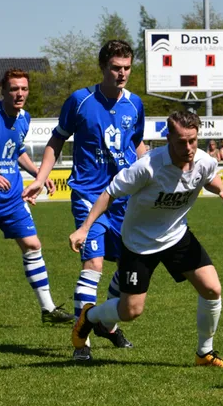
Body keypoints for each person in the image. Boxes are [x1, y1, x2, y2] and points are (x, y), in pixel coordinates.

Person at [68, 110, 223, 365]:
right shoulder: (147, 166)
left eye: (193, 141)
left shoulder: (204, 161)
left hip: (176, 235)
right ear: (168, 138)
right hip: (139, 243)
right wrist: (84, 229)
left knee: (212, 289)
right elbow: (108, 194)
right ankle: (89, 316)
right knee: (131, 311)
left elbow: (210, 177)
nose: (188, 148)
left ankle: (204, 353)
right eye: (181, 142)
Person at [24, 40, 145, 353]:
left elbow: (137, 145)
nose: (122, 74)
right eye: (116, 68)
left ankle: (106, 323)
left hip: (123, 199)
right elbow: (56, 141)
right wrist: (41, 178)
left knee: (128, 266)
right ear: (103, 67)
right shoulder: (80, 100)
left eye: (127, 68)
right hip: (88, 195)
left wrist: (152, 177)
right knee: (93, 264)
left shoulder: (135, 104)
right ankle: (82, 341)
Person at [0, 69, 72, 333]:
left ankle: (48, 309)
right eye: (14, 89)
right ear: (4, 91)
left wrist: (39, 175)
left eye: (24, 89)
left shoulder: (24, 118)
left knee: (32, 245)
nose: (20, 94)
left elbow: (17, 150)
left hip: (13, 198)